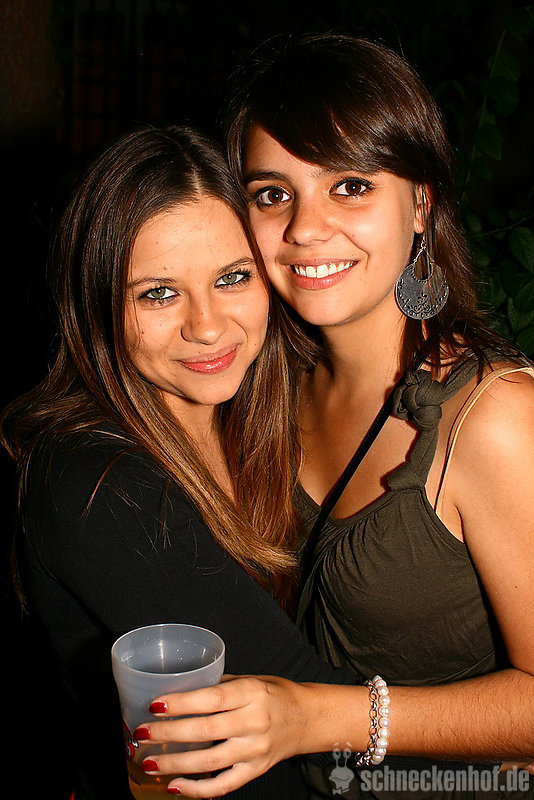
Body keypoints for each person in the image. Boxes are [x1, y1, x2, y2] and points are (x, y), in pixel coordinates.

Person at [129, 35, 534, 800]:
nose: (305, 229)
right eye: (271, 194)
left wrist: (319, 719)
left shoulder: (495, 419)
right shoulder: (267, 383)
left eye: (349, 186)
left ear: (422, 202)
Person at [0, 123, 359, 800]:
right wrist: (496, 759)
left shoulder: (267, 422)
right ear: (97, 305)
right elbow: (301, 699)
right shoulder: (96, 483)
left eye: (232, 278)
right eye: (157, 293)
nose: (207, 325)